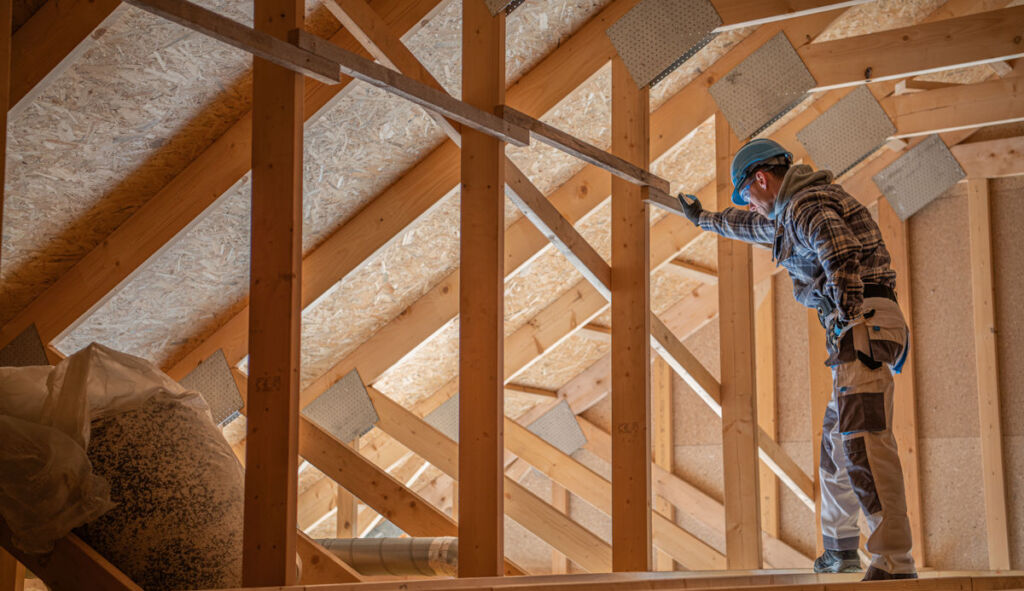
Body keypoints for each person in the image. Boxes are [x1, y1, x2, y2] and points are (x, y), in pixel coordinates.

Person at [676, 138, 916, 581]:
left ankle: (894, 562)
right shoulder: (791, 214)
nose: (750, 205)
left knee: (864, 441)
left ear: (761, 179)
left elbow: (839, 249)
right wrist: (702, 219)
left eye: (747, 194)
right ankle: (841, 549)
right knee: (837, 445)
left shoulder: (807, 204)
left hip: (862, 325)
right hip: (861, 327)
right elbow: (748, 227)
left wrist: (846, 314)